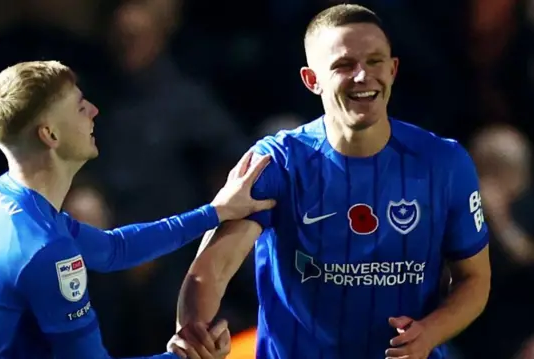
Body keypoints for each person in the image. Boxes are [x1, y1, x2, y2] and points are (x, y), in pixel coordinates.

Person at [169, 4, 491, 359]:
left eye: (374, 61)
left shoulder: (444, 163)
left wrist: (429, 332)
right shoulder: (277, 163)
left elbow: (474, 279)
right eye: (343, 65)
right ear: (312, 80)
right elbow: (212, 268)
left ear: (393, 69)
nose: (362, 76)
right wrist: (194, 333)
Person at [0, 60, 274, 359]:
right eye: (79, 108)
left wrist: (215, 211)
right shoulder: (47, 251)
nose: (93, 110)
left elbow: (114, 248)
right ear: (50, 134)